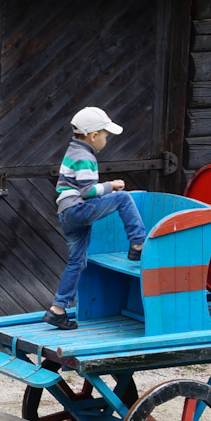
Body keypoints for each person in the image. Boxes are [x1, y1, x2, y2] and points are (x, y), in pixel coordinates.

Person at [43, 106, 149, 331]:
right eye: (106, 136)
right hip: (78, 209)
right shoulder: (85, 157)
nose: (106, 141)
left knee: (76, 262)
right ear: (93, 136)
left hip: (66, 213)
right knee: (123, 198)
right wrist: (112, 186)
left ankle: (57, 310)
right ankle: (138, 244)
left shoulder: (72, 151)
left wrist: (104, 193)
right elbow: (87, 191)